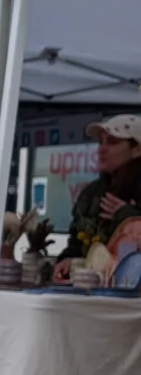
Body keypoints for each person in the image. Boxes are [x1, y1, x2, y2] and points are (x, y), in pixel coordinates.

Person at [54, 114, 141, 278]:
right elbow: (76, 241)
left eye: (113, 142)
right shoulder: (92, 193)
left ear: (137, 149)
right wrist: (68, 259)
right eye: (100, 141)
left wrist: (128, 218)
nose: (101, 149)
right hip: (91, 288)